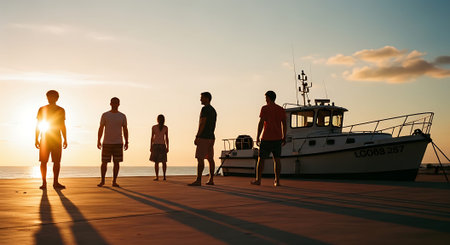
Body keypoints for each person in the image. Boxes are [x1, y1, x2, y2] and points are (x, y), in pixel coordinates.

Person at [251, 90, 286, 187]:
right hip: (278, 137)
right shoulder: (280, 109)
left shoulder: (265, 108)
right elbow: (284, 124)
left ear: (269, 98)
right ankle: (277, 181)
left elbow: (261, 123)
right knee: (277, 159)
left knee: (261, 159)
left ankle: (258, 180)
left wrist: (257, 136)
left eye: (266, 97)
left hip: (266, 137)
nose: (265, 99)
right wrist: (284, 136)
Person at [35, 90, 68, 189]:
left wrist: (65, 139)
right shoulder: (42, 109)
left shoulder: (61, 110)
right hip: (45, 137)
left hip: (56, 138)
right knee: (43, 161)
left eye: (52, 97)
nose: (50, 98)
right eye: (48, 97)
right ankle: (44, 183)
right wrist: (36, 138)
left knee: (57, 161)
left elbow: (62, 125)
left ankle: (55, 182)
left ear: (56, 98)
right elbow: (38, 124)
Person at [97, 97, 128, 187]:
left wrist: (126, 141)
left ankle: (114, 181)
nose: (114, 104)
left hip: (118, 142)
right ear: (110, 104)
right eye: (113, 103)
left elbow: (125, 129)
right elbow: (101, 128)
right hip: (106, 142)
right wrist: (98, 140)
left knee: (117, 162)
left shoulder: (122, 116)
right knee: (104, 162)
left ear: (119, 104)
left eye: (116, 103)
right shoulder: (105, 115)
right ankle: (102, 180)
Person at [188, 92, 217, 186]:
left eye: (202, 98)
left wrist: (197, 136)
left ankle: (198, 180)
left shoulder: (205, 109)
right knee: (210, 159)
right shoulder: (213, 110)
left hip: (204, 137)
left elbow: (202, 123)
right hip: (211, 137)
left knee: (200, 158)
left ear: (207, 98)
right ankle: (211, 179)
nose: (200, 99)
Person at [150, 114, 169, 181]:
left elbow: (152, 137)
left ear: (157, 120)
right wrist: (167, 147)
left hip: (156, 145)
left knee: (156, 162)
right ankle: (164, 176)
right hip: (162, 145)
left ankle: (157, 176)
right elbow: (166, 138)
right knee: (163, 162)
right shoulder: (165, 127)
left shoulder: (154, 127)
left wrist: (151, 146)